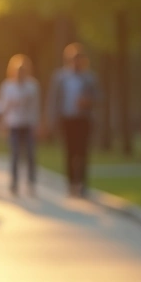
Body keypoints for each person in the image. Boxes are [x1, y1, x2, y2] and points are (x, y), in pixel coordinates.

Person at [47, 43, 100, 197]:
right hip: (67, 119)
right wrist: (51, 120)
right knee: (70, 152)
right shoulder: (60, 77)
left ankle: (82, 183)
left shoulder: (89, 77)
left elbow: (98, 97)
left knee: (82, 152)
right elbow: (53, 100)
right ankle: (71, 183)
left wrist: (88, 101)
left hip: (83, 119)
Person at [0, 54, 41, 194]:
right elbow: (3, 107)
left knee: (30, 153)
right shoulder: (7, 86)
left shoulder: (32, 86)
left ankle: (31, 181)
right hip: (13, 124)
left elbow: (36, 107)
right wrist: (2, 123)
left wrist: (37, 124)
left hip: (28, 124)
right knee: (14, 154)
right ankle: (14, 182)